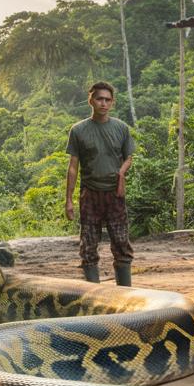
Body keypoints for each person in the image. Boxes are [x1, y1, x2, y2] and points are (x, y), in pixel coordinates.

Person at [65, 81, 136, 286]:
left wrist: (121, 173)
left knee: (122, 243)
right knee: (88, 246)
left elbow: (128, 157)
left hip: (114, 194)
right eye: (99, 99)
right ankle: (93, 297)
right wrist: (68, 200)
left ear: (112, 103)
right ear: (91, 100)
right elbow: (72, 167)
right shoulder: (78, 130)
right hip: (90, 194)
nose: (103, 103)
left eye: (107, 99)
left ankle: (124, 294)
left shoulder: (121, 128)